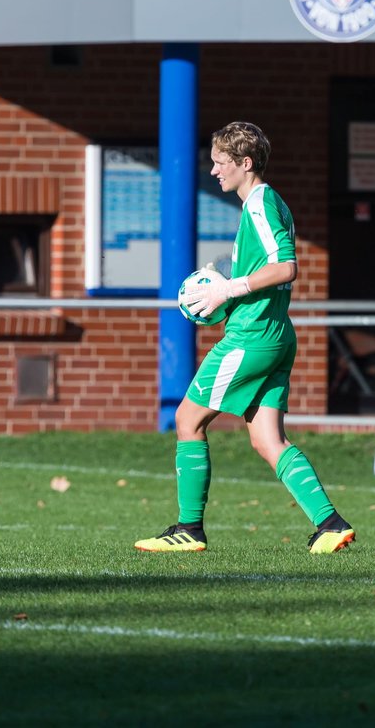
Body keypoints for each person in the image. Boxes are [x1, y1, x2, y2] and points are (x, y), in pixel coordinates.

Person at [135, 121, 355, 555]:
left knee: (187, 420)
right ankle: (330, 524)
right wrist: (228, 287)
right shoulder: (270, 204)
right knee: (267, 439)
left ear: (244, 163)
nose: (214, 171)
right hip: (274, 334)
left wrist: (226, 290)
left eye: (220, 163)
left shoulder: (259, 204)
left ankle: (188, 529)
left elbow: (285, 268)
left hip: (251, 338)